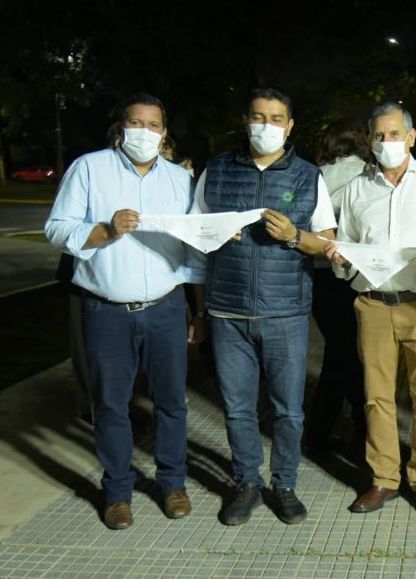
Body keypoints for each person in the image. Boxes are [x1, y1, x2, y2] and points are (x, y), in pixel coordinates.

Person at [44, 92, 206, 530]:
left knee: (172, 402)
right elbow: (56, 229)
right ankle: (117, 492)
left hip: (166, 308)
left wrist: (198, 309)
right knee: (111, 405)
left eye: (154, 125)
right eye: (136, 123)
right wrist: (105, 230)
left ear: (164, 132)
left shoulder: (178, 180)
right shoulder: (89, 169)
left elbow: (192, 248)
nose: (144, 132)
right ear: (121, 128)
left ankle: (173, 484)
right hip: (106, 311)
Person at [193, 87, 336, 526]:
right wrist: (214, 239)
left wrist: (293, 235)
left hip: (286, 313)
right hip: (227, 311)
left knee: (288, 409)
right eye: (259, 117)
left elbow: (328, 245)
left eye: (276, 119)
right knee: (236, 408)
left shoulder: (309, 176)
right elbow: (196, 241)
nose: (266, 126)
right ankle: (245, 483)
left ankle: (286, 483)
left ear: (290, 126)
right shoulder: (215, 171)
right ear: (246, 120)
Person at [325, 102, 416, 519]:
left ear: (410, 138)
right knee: (376, 399)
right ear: (370, 140)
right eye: (378, 135)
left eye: (393, 134)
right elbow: (344, 249)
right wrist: (341, 259)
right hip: (373, 306)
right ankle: (383, 478)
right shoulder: (355, 188)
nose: (386, 142)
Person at [305, 117, 369, 456]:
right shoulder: (366, 177)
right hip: (351, 276)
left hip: (318, 277)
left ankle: (321, 432)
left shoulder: (314, 177)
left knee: (338, 354)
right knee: (347, 357)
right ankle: (358, 431)